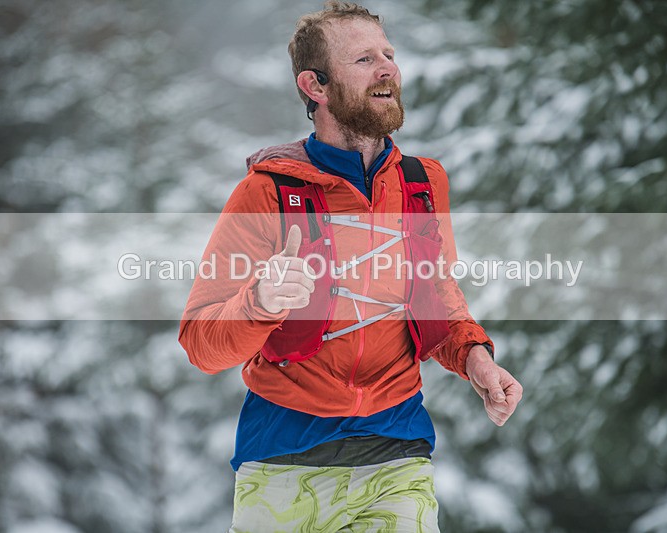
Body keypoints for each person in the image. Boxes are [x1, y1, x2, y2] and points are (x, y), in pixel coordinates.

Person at [178, 2, 523, 531]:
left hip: (397, 452)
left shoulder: (421, 184)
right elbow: (201, 343)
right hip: (283, 461)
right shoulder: (266, 191)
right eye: (364, 59)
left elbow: (440, 298)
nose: (388, 68)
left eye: (389, 54)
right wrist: (260, 303)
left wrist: (475, 357)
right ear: (315, 86)